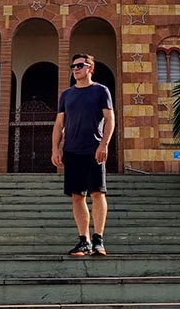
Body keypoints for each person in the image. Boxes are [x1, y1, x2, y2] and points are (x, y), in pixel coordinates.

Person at [51, 53, 114, 257]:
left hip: (93, 150)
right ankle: (83, 240)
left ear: (90, 68)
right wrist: (56, 148)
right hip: (72, 151)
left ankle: (98, 240)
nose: (75, 69)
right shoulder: (66, 95)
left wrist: (104, 144)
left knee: (97, 193)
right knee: (77, 197)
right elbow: (60, 124)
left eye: (80, 65)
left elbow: (110, 120)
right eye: (73, 66)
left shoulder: (101, 91)